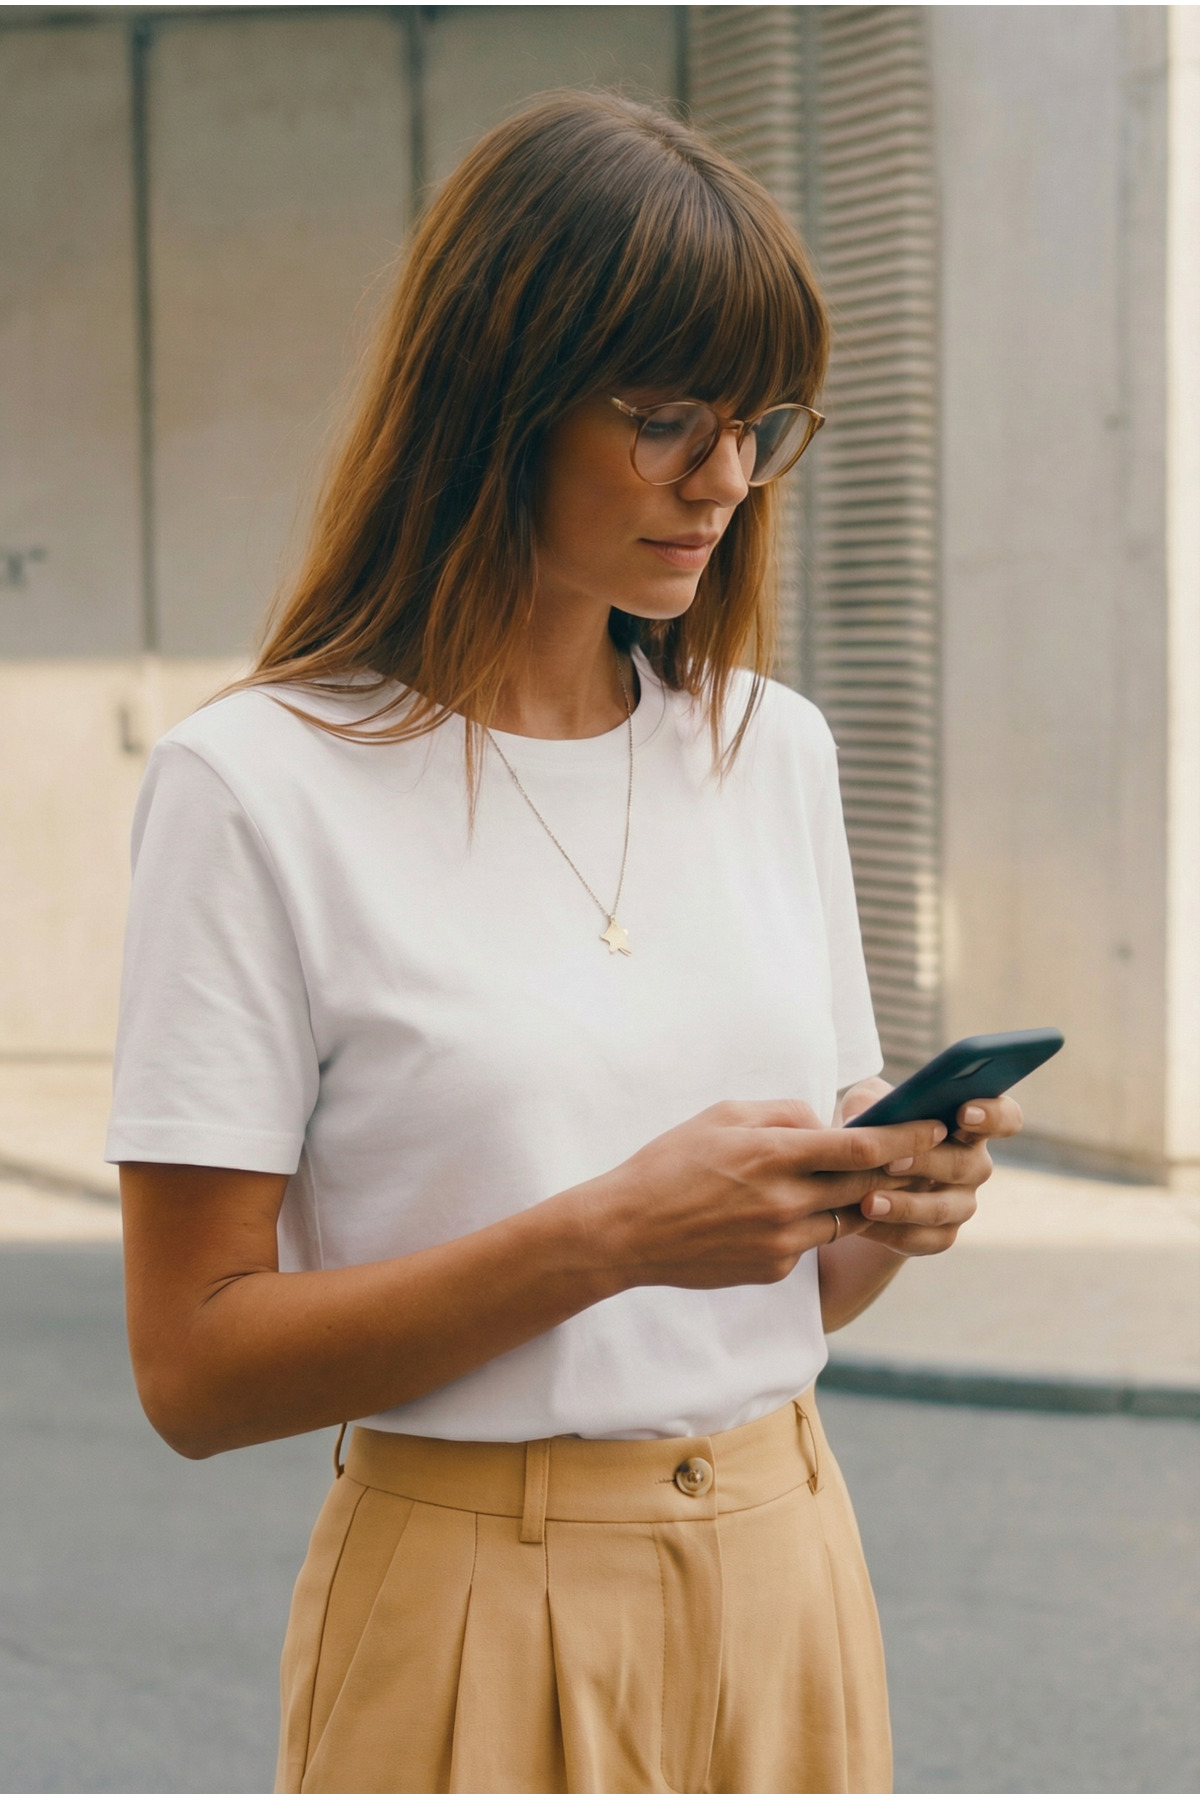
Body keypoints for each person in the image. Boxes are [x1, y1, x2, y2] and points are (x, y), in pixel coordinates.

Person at [110, 92, 1020, 1795]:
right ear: (493, 399)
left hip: (788, 1566)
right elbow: (196, 1365)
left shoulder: (773, 752)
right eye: (669, 418)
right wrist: (608, 1233)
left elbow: (794, 1297)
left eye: (757, 425)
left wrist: (894, 1202)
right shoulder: (256, 786)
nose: (726, 480)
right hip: (467, 1597)